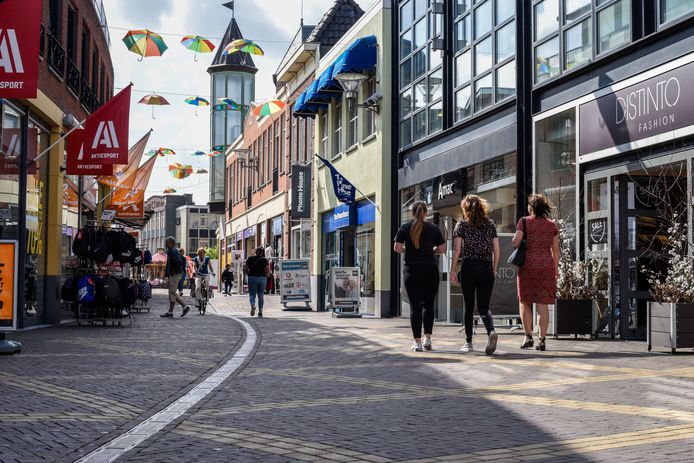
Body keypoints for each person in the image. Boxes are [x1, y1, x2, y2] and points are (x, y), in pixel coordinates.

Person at [450, 195, 500, 354]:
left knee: (469, 306)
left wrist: (452, 270)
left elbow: (457, 249)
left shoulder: (461, 225)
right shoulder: (490, 224)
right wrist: (494, 268)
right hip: (486, 267)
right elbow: (496, 249)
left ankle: (469, 342)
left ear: (466, 209)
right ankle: (491, 331)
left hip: (469, 267)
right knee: (484, 306)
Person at [394, 201, 446, 352]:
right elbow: (442, 249)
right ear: (426, 213)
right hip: (430, 270)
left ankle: (417, 343)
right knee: (428, 305)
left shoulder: (405, 227)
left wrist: (407, 248)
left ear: (412, 213)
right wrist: (432, 250)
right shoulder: (433, 228)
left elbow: (397, 247)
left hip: (411, 271)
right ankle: (427, 340)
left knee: (415, 307)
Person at [513, 194, 560, 351]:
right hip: (546, 266)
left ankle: (528, 337)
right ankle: (542, 340)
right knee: (542, 304)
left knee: (525, 301)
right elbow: (555, 249)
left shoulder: (524, 221)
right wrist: (556, 269)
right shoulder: (552, 225)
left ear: (531, 207)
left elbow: (515, 241)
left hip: (527, 265)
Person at [161, 237, 190, 318]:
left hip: (175, 274)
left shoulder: (172, 251)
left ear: (171, 243)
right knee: (172, 293)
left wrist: (173, 272)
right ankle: (171, 312)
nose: (166, 244)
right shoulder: (173, 250)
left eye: (167, 242)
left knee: (172, 292)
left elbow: (178, 262)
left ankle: (184, 306)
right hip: (175, 274)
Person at [245, 247, 270, 317]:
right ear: (262, 253)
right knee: (261, 294)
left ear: (255, 252)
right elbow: (267, 270)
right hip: (262, 278)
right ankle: (260, 312)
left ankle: (253, 304)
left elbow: (245, 268)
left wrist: (249, 274)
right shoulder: (264, 260)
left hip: (252, 277)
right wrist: (267, 275)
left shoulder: (250, 259)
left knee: (252, 294)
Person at [193, 248, 215, 314]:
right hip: (198, 275)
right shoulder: (196, 259)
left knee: (207, 282)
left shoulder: (207, 258)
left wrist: (212, 272)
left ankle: (207, 296)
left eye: (202, 253)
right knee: (197, 287)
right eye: (200, 253)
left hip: (206, 274)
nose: (201, 254)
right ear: (198, 253)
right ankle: (198, 300)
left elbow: (210, 266)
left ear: (204, 253)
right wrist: (195, 271)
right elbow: (194, 266)